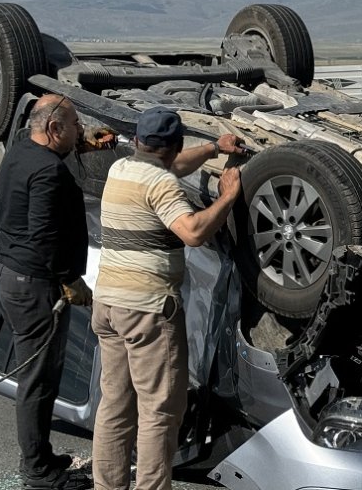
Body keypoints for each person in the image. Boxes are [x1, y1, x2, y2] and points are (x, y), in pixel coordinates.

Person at [90, 107, 242, 490]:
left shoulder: (122, 171)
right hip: (147, 311)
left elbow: (170, 167)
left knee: (114, 406)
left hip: (108, 305)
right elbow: (192, 232)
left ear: (139, 142)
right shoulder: (161, 185)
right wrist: (226, 197)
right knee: (159, 411)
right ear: (174, 144)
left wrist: (212, 149)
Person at [0, 94, 114, 490]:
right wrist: (70, 280)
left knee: (37, 377)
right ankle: (38, 473)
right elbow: (45, 236)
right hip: (34, 284)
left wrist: (81, 143)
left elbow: (48, 148)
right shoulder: (50, 173)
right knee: (38, 381)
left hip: (9, 273)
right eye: (76, 125)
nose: (81, 130)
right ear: (54, 128)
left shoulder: (20, 152)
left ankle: (40, 457)